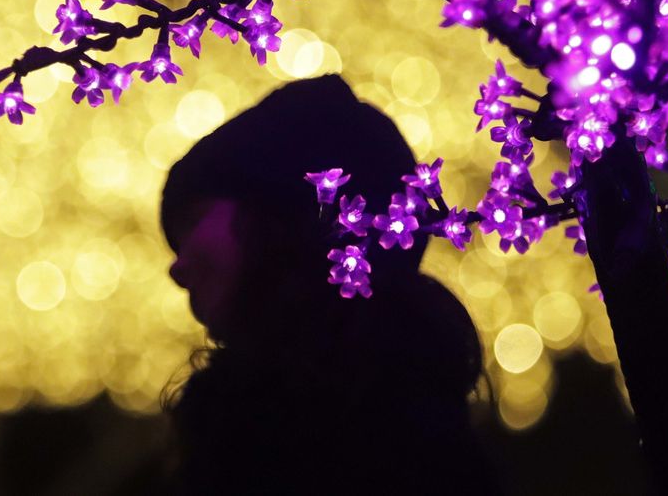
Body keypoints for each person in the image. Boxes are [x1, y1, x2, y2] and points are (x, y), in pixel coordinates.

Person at [159, 74, 501, 494]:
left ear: (276, 219)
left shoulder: (273, 442)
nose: (177, 269)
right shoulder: (432, 426)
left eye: (192, 222)